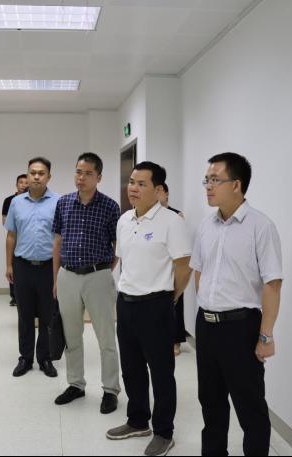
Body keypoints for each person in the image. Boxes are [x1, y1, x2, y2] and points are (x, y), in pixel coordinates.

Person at [191, 152, 283, 456]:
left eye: (215, 179)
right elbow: (199, 271)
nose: (208, 186)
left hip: (240, 328)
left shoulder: (260, 226)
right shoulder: (206, 225)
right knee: (210, 402)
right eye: (206, 179)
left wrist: (265, 335)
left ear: (236, 185)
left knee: (250, 407)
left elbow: (272, 284)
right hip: (207, 325)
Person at [106, 162, 192, 457]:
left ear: (158, 190)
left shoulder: (171, 222)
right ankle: (137, 420)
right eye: (132, 182)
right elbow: (125, 262)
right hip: (126, 303)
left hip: (156, 305)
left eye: (141, 184)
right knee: (131, 368)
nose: (133, 188)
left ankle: (164, 432)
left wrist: (169, 298)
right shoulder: (124, 220)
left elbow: (183, 267)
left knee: (161, 372)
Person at [52, 152, 121, 414]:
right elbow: (57, 242)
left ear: (99, 177)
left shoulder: (110, 206)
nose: (81, 178)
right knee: (72, 335)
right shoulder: (63, 203)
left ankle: (110, 390)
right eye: (78, 172)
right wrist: (56, 278)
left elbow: (117, 245)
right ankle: (76, 384)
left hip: (98, 276)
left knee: (106, 337)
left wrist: (103, 272)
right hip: (67, 275)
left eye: (88, 173)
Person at [5, 157, 59, 378]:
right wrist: (8, 264)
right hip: (23, 266)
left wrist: (59, 271)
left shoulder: (59, 202)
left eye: (41, 173)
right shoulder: (16, 203)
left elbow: (61, 238)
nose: (36, 176)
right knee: (24, 314)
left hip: (48, 267)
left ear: (49, 176)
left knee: (48, 315)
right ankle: (25, 358)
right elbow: (11, 235)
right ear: (27, 175)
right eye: (32, 172)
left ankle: (45, 357)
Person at [159, 183, 187, 357]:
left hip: (174, 264)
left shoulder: (177, 215)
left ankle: (176, 340)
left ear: (166, 193)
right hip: (158, 266)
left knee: (176, 303)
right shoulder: (152, 216)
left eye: (160, 191)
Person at [2, 174, 28, 306]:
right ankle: (14, 296)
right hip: (15, 237)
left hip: (28, 238)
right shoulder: (9, 201)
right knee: (12, 266)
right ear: (16, 185)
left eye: (26, 182)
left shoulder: (33, 199)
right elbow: (5, 221)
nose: (23, 185)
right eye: (21, 182)